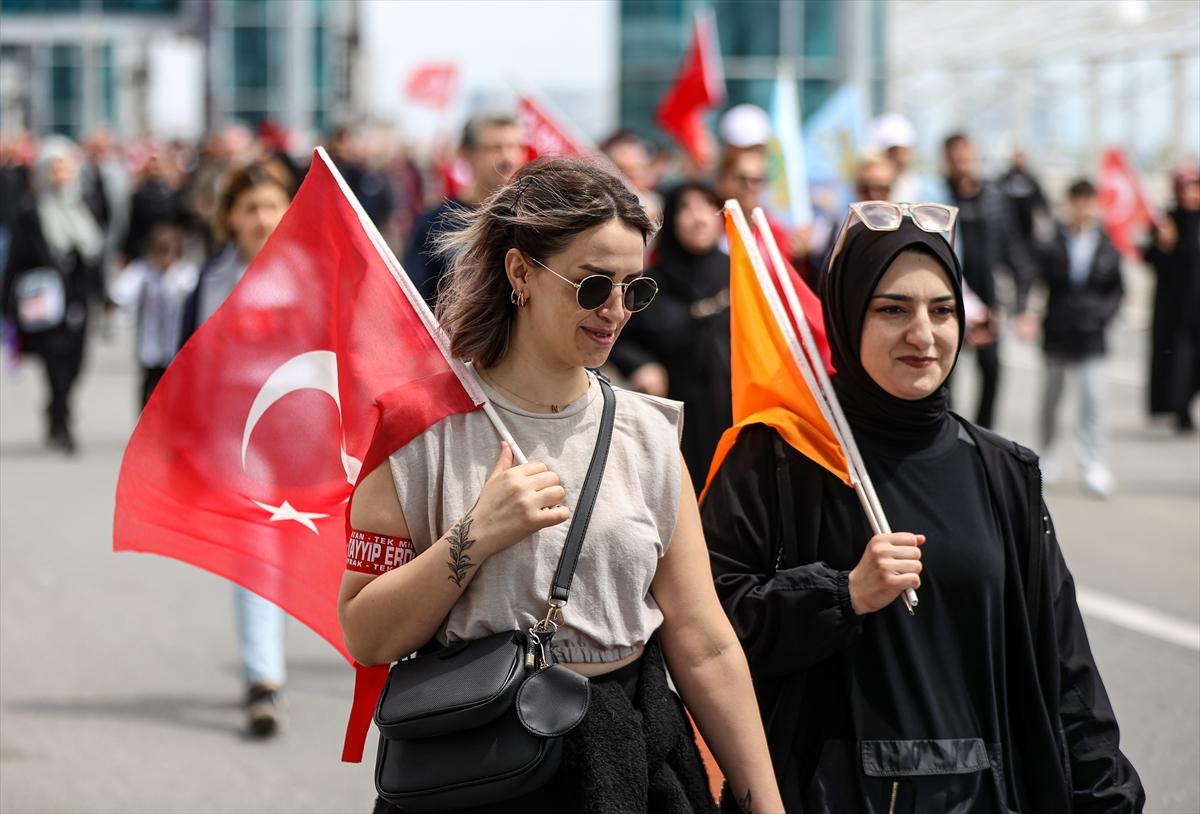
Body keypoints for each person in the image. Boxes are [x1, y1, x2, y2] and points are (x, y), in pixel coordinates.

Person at [341, 158, 785, 814]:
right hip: (478, 768)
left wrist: (765, 804)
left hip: (633, 764)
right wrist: (475, 536)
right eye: (592, 285)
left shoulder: (648, 434)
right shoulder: (418, 429)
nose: (614, 311)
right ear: (520, 272)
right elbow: (366, 633)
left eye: (634, 290)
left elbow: (705, 640)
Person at [700, 207, 1144, 811]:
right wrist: (841, 594)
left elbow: (1064, 666)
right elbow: (707, 631)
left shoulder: (1002, 471)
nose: (923, 334)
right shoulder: (778, 455)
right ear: (847, 313)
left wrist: (1108, 797)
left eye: (942, 310)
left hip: (989, 795)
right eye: (892, 310)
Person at [180, 160, 295, 736]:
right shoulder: (210, 281)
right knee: (256, 555)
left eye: (272, 205)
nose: (261, 218)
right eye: (249, 208)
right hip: (239, 445)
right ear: (229, 218)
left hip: (313, 444)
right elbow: (181, 367)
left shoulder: (317, 273)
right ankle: (263, 679)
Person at [610, 181, 731, 489]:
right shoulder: (649, 283)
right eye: (686, 208)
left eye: (707, 206)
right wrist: (641, 364)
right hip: (680, 416)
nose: (699, 218)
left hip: (735, 408)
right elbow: (617, 334)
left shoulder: (739, 272)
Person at [1, 135, 107, 454]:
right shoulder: (30, 211)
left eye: (66, 167)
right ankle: (61, 421)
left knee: (76, 362)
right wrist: (7, 304)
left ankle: (58, 406)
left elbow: (95, 254)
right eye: (54, 168)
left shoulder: (84, 207)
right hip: (46, 302)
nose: (61, 174)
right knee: (54, 362)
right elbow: (17, 260)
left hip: (78, 300)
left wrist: (103, 295)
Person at [1017, 180, 1124, 496]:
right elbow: (1033, 280)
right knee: (1052, 396)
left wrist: (1102, 315)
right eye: (1077, 202)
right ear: (1069, 204)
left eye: (1088, 202)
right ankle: (1047, 454)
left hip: (1092, 334)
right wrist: (1027, 313)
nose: (1082, 209)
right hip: (1058, 331)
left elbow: (1117, 291)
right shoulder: (1051, 243)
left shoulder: (1106, 245)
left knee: (1093, 400)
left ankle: (1093, 463)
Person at [404, 112, 524, 306]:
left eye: (514, 146)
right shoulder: (435, 223)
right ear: (465, 153)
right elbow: (417, 302)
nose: (507, 158)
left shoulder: (532, 218)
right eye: (495, 148)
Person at [942, 132, 1011, 429]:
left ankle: (984, 433)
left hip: (985, 301)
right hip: (947, 298)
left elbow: (1009, 247)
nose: (962, 162)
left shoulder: (992, 197)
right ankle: (950, 431)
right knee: (944, 373)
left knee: (992, 368)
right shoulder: (938, 195)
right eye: (955, 156)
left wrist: (1004, 303)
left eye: (966, 155)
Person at [110, 221, 197, 407]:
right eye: (160, 251)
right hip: (149, 343)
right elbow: (122, 291)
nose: (164, 258)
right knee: (149, 387)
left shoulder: (185, 275)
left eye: (168, 251)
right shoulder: (142, 271)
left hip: (175, 344)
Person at [1142, 166, 1200, 432]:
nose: (1190, 194)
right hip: (1175, 308)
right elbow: (1150, 259)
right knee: (1178, 361)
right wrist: (1162, 246)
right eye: (1185, 189)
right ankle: (1179, 410)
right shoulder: (1167, 220)